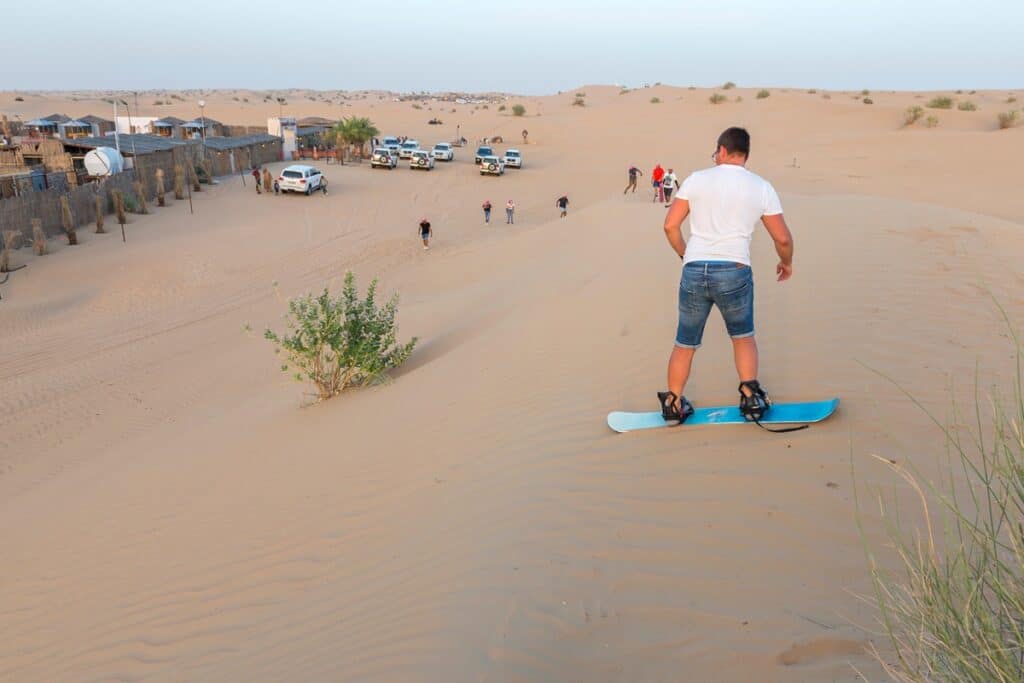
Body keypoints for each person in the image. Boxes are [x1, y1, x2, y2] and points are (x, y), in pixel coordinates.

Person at [658, 126, 794, 424]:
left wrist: (686, 255)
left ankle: (672, 403)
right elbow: (782, 238)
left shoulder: (696, 179)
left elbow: (670, 225)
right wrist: (786, 262)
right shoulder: (761, 186)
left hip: (694, 268)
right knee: (742, 336)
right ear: (744, 154)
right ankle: (750, 399)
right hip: (734, 269)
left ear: (721, 150)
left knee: (685, 341)